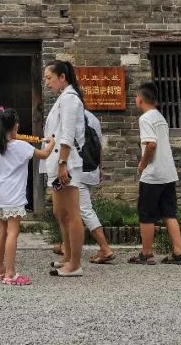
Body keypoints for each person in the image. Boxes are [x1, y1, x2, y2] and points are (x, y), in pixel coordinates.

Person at [0, 108, 54, 285]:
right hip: (14, 196)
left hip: (0, 196)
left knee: (1, 231)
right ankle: (11, 273)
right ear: (15, 126)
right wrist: (51, 142)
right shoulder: (22, 146)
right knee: (12, 233)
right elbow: (44, 155)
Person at [128, 83, 181, 267]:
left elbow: (151, 144)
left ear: (140, 99)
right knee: (169, 212)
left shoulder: (145, 118)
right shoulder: (160, 117)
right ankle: (179, 251)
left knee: (146, 214)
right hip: (168, 172)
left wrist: (142, 164)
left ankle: (146, 254)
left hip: (153, 174)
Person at [42, 60, 85, 277]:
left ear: (62, 77)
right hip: (57, 162)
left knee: (72, 212)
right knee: (60, 212)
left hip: (66, 163)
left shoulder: (70, 99)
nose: (46, 82)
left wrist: (62, 164)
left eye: (49, 78)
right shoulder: (62, 99)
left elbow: (67, 134)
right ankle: (68, 255)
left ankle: (75, 263)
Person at [77, 109, 115, 264]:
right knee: (73, 210)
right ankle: (68, 246)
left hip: (77, 170)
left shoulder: (72, 116)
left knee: (84, 209)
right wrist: (100, 167)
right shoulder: (93, 118)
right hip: (91, 168)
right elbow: (99, 145)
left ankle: (105, 248)